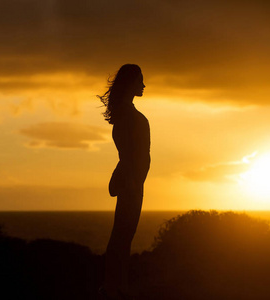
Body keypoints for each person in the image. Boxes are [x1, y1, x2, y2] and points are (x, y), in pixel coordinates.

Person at [97, 64, 150, 300]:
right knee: (122, 236)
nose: (144, 85)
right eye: (140, 80)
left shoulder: (125, 115)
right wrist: (134, 182)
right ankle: (115, 286)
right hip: (131, 182)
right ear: (131, 83)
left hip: (131, 180)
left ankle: (116, 285)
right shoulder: (130, 117)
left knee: (122, 236)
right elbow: (134, 154)